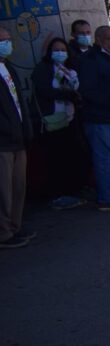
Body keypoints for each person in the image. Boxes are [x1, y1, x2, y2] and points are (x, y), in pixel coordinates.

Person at [77, 25, 110, 211]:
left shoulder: (107, 58)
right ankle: (106, 198)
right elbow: (88, 90)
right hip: (99, 117)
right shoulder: (90, 59)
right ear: (98, 39)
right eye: (109, 39)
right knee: (105, 159)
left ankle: (107, 194)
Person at [31, 37, 87, 210]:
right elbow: (45, 91)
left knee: (72, 155)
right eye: (56, 50)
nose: (60, 53)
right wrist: (68, 95)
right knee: (55, 159)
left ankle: (72, 190)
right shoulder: (43, 69)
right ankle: (57, 195)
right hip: (52, 122)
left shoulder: (69, 69)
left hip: (70, 119)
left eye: (63, 50)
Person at [0, 26, 36, 247]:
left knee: (17, 186)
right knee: (3, 190)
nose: (7, 43)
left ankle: (15, 226)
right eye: (2, 40)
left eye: (7, 39)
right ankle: (3, 232)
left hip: (18, 138)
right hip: (3, 142)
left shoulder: (9, 68)